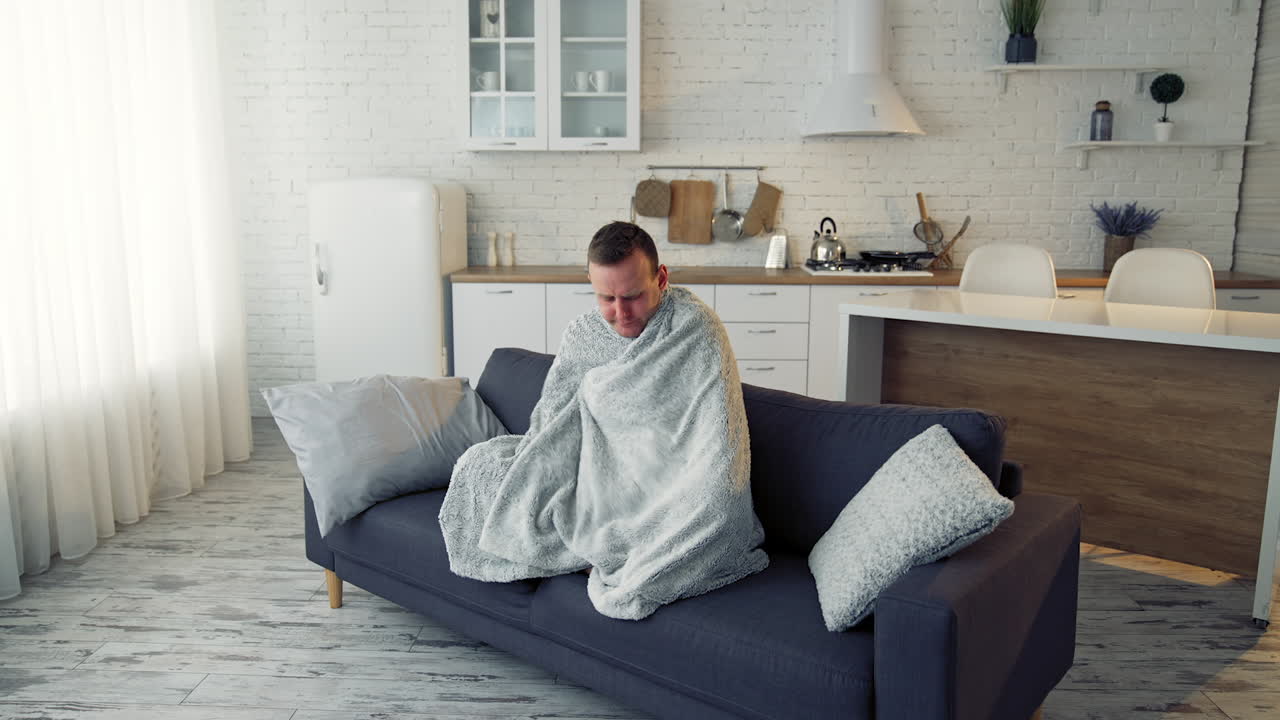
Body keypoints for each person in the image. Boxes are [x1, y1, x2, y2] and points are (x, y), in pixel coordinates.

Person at [586, 221, 669, 338]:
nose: (621, 314)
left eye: (632, 297)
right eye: (607, 298)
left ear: (661, 280)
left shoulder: (695, 330)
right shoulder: (580, 336)